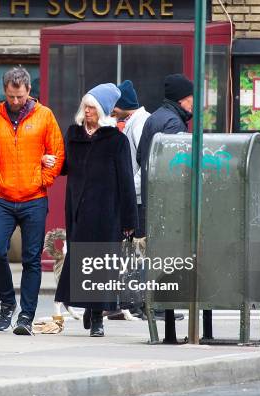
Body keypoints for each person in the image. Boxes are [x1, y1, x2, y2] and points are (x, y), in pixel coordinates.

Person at [0, 66, 64, 336]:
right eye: (12, 97)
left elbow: (57, 153)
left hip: (34, 198)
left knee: (31, 259)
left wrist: (43, 179)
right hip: (2, 197)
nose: (16, 102)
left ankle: (26, 316)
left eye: (21, 97)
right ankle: (7, 302)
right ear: (5, 92)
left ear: (28, 92)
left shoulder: (45, 116)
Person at [54, 83, 138, 337]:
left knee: (102, 263)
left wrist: (129, 219)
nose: (87, 111)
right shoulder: (73, 134)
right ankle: (90, 309)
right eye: (85, 106)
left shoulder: (117, 141)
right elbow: (66, 166)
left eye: (92, 107)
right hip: (78, 207)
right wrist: (52, 162)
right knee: (82, 260)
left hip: (106, 210)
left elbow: (125, 180)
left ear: (102, 110)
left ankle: (98, 318)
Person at [136, 73, 193, 338]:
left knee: (155, 253)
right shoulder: (173, 124)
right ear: (182, 98)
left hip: (151, 197)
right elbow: (177, 164)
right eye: (192, 98)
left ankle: (152, 305)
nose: (194, 103)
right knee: (168, 257)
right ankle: (162, 311)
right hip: (169, 200)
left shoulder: (154, 118)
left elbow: (140, 156)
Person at [108, 79, 151, 320]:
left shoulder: (138, 124)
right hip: (134, 197)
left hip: (136, 199)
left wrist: (123, 189)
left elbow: (142, 168)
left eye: (115, 105)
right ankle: (131, 302)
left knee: (135, 251)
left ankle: (134, 302)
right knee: (133, 252)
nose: (112, 110)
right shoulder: (135, 122)